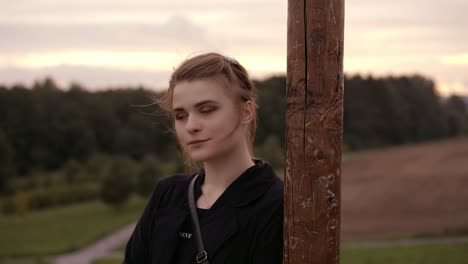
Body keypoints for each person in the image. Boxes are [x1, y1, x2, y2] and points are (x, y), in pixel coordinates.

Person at [123, 52, 284, 264]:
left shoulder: (276, 206)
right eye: (181, 116)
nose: (191, 126)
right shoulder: (167, 194)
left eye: (206, 110)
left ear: (246, 112)